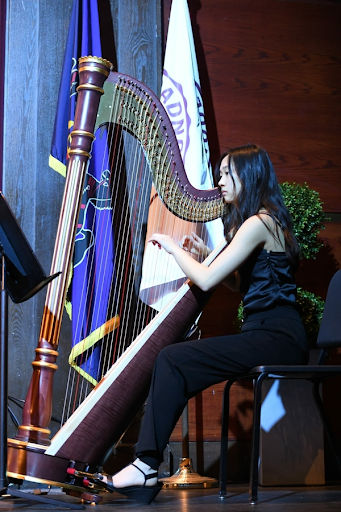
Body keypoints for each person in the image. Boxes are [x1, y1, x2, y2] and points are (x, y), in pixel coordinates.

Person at [97, 144, 309, 504]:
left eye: (227, 174)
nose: (220, 181)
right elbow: (242, 285)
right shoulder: (263, 220)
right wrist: (199, 254)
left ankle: (145, 466)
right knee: (176, 363)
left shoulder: (259, 222)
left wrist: (172, 247)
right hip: (269, 333)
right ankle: (146, 466)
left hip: (277, 335)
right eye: (220, 173)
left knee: (172, 359)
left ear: (250, 175)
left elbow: (207, 280)